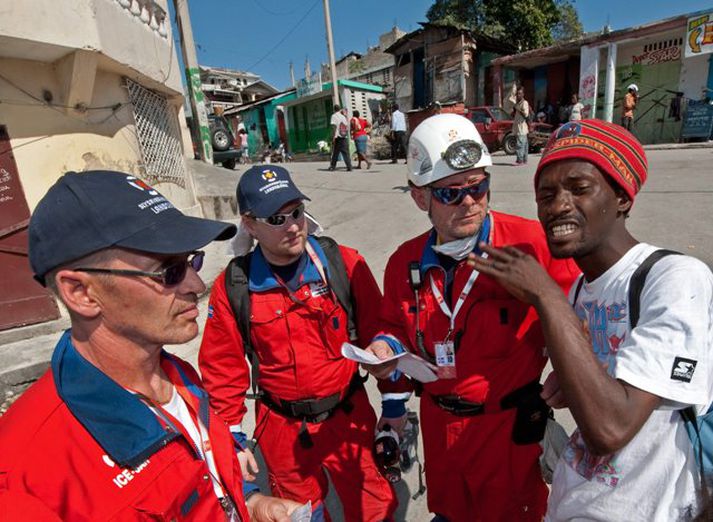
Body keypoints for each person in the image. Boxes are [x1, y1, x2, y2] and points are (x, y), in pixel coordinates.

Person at [0, 170, 301, 521]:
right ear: (81, 293)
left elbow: (207, 481)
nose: (196, 285)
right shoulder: (26, 475)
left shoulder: (178, 376)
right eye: (169, 271)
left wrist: (252, 505)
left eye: (192, 262)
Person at [468, 119, 713, 520]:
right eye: (546, 195)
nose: (558, 206)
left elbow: (610, 430)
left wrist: (545, 295)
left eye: (579, 189)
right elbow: (602, 386)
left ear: (622, 198)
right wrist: (571, 380)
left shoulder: (675, 278)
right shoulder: (584, 289)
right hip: (575, 501)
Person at [363, 114, 580, 521]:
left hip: (507, 435)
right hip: (439, 430)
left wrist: (569, 374)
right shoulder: (404, 263)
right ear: (419, 198)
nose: (470, 201)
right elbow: (392, 325)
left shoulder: (530, 244)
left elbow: (581, 315)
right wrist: (384, 347)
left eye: (478, 187)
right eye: (451, 193)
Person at [199, 165, 397, 521]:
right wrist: (233, 435)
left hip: (348, 417)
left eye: (296, 212)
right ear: (250, 224)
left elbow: (380, 329)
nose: (293, 225)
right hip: (282, 430)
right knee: (299, 514)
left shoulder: (343, 264)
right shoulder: (234, 287)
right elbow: (222, 368)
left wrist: (393, 399)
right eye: (276, 218)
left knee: (374, 506)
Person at [328, 104, 352, 172]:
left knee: (335, 152)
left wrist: (333, 137)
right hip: (344, 137)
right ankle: (349, 166)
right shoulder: (343, 117)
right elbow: (346, 127)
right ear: (339, 109)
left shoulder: (333, 116)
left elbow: (334, 127)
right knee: (346, 153)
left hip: (337, 137)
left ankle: (332, 166)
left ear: (334, 109)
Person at [511, 86, 531, 165]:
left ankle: (520, 160)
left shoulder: (524, 103)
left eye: (520, 94)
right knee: (524, 145)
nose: (518, 95)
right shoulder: (518, 103)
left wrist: (518, 109)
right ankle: (524, 160)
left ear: (523, 94)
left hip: (522, 127)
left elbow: (525, 114)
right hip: (518, 127)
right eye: (517, 94)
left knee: (520, 144)